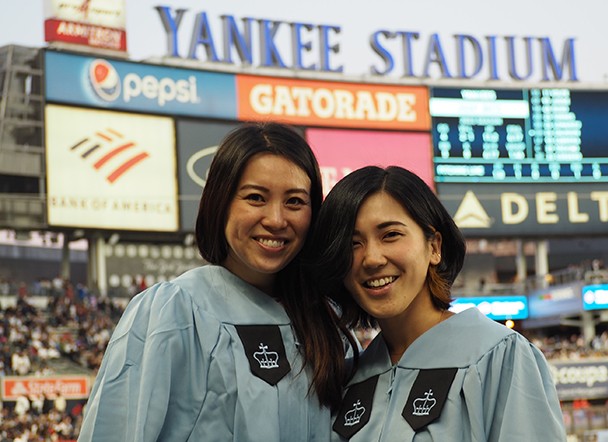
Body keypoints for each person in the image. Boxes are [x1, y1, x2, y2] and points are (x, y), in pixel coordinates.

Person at [79, 122, 355, 441]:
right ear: (220, 202)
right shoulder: (173, 312)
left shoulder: (330, 326)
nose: (276, 219)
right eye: (255, 197)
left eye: (294, 201)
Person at [309, 166, 566, 441]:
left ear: (434, 247)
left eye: (390, 235)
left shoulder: (499, 358)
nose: (372, 258)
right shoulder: (348, 378)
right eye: (352, 244)